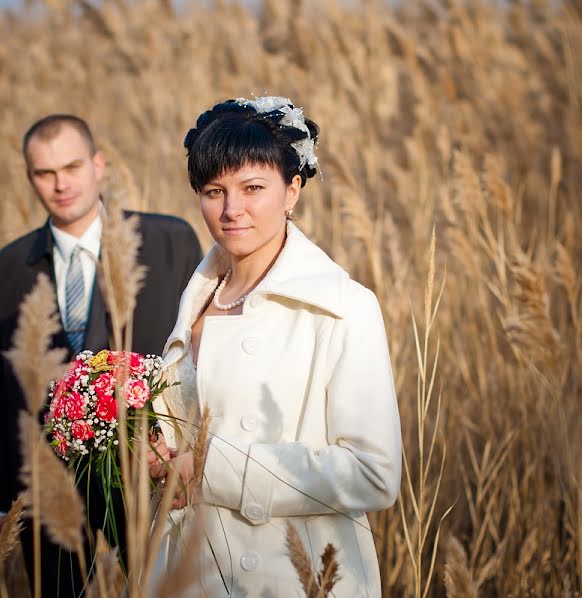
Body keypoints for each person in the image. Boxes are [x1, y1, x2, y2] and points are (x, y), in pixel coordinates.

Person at [149, 97, 402, 597]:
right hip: (189, 573)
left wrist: (209, 467)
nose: (231, 209)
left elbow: (374, 474)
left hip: (290, 576)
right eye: (214, 191)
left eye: (253, 188)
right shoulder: (194, 302)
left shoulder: (340, 306)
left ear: (292, 190)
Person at [0, 114, 202, 597]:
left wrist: (191, 454)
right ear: (30, 177)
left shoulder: (169, 241)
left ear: (98, 165)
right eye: (44, 173)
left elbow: (200, 354)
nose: (61, 184)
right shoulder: (11, 265)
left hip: (150, 475)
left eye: (72, 166)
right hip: (48, 482)